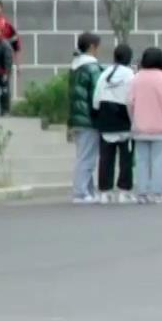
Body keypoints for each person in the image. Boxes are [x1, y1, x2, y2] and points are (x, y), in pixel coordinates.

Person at [128, 48, 162, 204]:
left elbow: (130, 102)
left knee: (141, 161)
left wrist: (134, 120)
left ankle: (142, 193)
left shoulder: (136, 78)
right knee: (158, 161)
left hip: (140, 128)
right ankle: (157, 193)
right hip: (161, 128)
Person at [91, 44, 137, 204]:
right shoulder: (130, 75)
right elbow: (132, 98)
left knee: (106, 158)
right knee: (126, 158)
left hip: (106, 117)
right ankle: (124, 191)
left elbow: (96, 99)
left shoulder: (105, 73)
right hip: (124, 118)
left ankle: (105, 192)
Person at [66, 32, 103, 205]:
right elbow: (97, 93)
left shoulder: (75, 66)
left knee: (83, 155)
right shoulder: (92, 68)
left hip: (77, 117)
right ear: (92, 47)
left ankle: (88, 191)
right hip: (89, 118)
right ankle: (80, 192)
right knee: (87, 157)